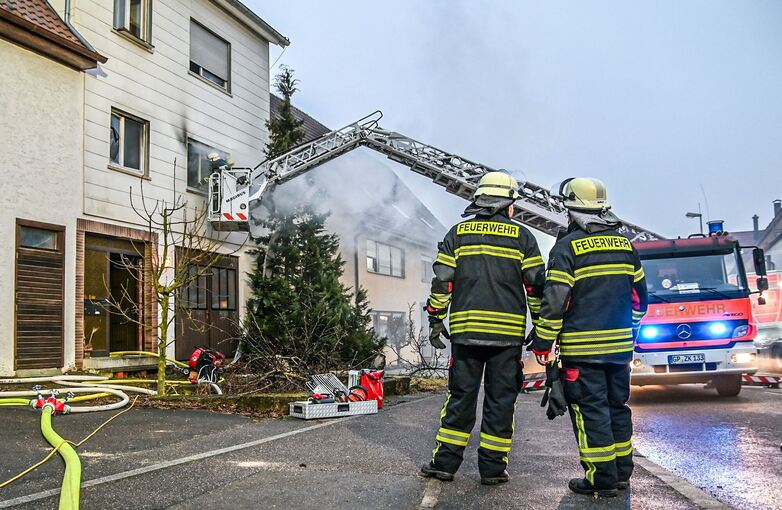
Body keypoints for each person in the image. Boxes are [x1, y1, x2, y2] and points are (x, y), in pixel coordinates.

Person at [419, 171, 545, 485]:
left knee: (460, 398)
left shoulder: (458, 233)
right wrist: (541, 326)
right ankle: (492, 469)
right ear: (507, 204)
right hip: (507, 339)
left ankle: (445, 464)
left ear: (480, 199)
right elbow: (535, 287)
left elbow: (442, 282)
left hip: (466, 336)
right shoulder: (523, 237)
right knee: (501, 402)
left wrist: (436, 318)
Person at [529, 177, 648, 498]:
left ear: (570, 209)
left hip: (582, 352)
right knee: (617, 407)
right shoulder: (626, 246)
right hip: (620, 351)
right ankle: (621, 473)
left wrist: (543, 343)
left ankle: (601, 478)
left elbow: (555, 301)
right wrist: (629, 334)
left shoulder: (566, 248)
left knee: (590, 411)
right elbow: (640, 300)